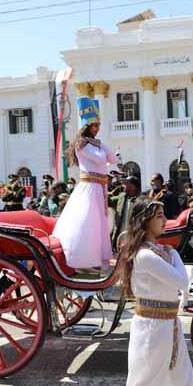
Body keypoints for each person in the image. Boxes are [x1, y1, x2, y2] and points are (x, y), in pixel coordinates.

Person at [114, 198, 193, 386]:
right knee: (141, 383)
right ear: (144, 221)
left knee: (182, 377)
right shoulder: (146, 255)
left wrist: (169, 253)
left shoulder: (156, 251)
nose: (165, 220)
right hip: (152, 330)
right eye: (159, 216)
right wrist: (174, 254)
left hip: (168, 325)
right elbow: (181, 281)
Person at [52, 97, 118, 273]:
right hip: (89, 187)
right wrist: (100, 145)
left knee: (99, 225)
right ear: (87, 126)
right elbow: (101, 158)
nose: (97, 129)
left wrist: (100, 143)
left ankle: (96, 259)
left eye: (98, 126)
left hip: (100, 188)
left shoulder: (95, 144)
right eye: (95, 126)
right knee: (88, 223)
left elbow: (114, 159)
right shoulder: (82, 144)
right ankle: (82, 260)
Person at [110, 176, 141, 250]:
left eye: (126, 184)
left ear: (133, 186)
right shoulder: (122, 197)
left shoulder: (141, 200)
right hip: (120, 237)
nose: (123, 186)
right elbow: (109, 201)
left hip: (134, 238)